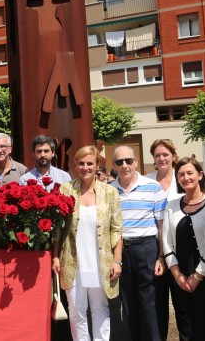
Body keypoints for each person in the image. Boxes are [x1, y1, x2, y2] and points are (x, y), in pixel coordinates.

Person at [53, 145, 123, 341]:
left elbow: (117, 229)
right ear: (76, 165)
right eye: (81, 163)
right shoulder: (66, 190)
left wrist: (117, 260)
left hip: (100, 261)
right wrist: (55, 257)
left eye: (90, 163)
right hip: (72, 260)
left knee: (100, 309)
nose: (85, 167)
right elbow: (58, 228)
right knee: (77, 312)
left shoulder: (109, 193)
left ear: (97, 165)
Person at [162, 157, 205, 341]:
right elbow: (166, 241)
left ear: (200, 175)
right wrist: (178, 275)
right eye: (181, 174)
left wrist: (197, 276)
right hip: (180, 279)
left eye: (190, 173)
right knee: (185, 329)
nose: (185, 178)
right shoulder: (172, 206)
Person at [111, 145, 166, 341]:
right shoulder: (109, 191)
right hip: (120, 251)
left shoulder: (153, 187)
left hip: (147, 248)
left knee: (149, 303)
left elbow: (162, 226)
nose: (124, 165)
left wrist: (161, 256)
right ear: (114, 165)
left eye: (128, 161)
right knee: (127, 302)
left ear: (136, 162)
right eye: (119, 162)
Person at [145, 139, 179, 340]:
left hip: (179, 249)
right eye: (157, 155)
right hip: (155, 251)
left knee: (182, 305)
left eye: (165, 154)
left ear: (173, 156)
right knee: (157, 305)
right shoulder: (146, 181)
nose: (161, 158)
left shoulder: (182, 178)